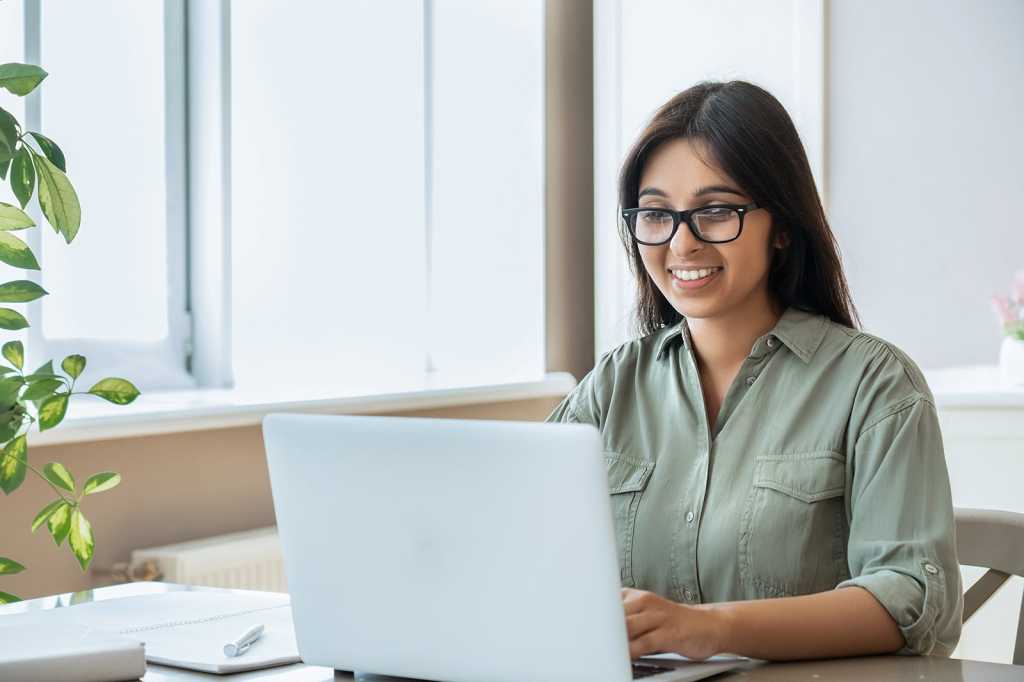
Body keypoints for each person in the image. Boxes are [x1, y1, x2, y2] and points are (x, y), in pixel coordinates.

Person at [546, 81, 962, 660]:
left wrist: (705, 628)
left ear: (783, 227)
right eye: (656, 214)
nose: (681, 243)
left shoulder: (877, 385)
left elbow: (909, 598)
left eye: (715, 211)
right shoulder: (610, 387)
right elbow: (523, 551)